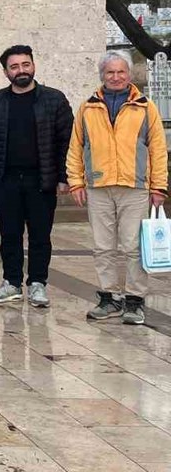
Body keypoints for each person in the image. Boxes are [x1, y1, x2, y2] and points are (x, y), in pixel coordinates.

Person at [67, 51, 166, 325]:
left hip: (134, 186)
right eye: (110, 72)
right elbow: (76, 147)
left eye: (121, 71)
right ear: (102, 75)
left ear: (129, 74)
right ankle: (109, 298)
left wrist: (159, 186)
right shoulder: (87, 107)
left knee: (133, 246)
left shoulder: (146, 107)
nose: (116, 77)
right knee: (102, 246)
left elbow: (157, 149)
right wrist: (76, 181)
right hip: (99, 185)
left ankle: (135, 300)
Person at [0, 45, 73, 308]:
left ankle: (38, 284)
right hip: (4, 180)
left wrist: (64, 176)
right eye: (15, 66)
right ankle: (11, 282)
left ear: (33, 65)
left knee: (41, 235)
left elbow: (68, 141)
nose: (21, 70)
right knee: (10, 234)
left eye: (25, 64)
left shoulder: (54, 99)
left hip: (42, 180)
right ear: (6, 71)